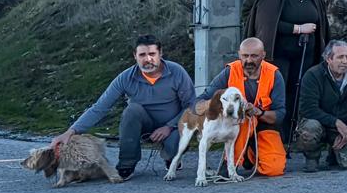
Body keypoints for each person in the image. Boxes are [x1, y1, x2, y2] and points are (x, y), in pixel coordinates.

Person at [53, 35, 192, 179]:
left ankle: (172, 157)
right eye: (142, 55)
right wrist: (71, 131)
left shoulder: (177, 72)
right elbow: (99, 107)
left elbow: (190, 105)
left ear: (160, 53)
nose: (147, 59)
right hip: (143, 125)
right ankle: (127, 164)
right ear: (135, 56)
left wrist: (169, 126)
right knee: (131, 110)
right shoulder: (125, 78)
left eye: (152, 54)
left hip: (172, 127)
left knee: (179, 141)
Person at [249, 0, 328, 120]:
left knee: (302, 91)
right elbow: (267, 24)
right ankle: (278, 131)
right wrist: (298, 28)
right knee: (280, 92)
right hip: (279, 56)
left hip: (306, 54)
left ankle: (300, 130)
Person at [200, 38, 287, 175]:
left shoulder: (274, 74)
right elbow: (202, 100)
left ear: (263, 55)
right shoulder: (230, 71)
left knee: (274, 169)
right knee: (242, 119)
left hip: (264, 126)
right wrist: (218, 107)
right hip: (237, 122)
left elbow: (280, 115)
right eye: (245, 56)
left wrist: (258, 112)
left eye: (254, 56)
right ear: (239, 54)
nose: (249, 60)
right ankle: (229, 165)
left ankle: (249, 155)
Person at [292, 39, 347, 172]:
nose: (344, 61)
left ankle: (335, 153)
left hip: (342, 127)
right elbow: (308, 109)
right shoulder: (312, 75)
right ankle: (312, 157)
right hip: (318, 124)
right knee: (310, 128)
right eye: (340, 57)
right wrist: (336, 122)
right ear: (328, 59)